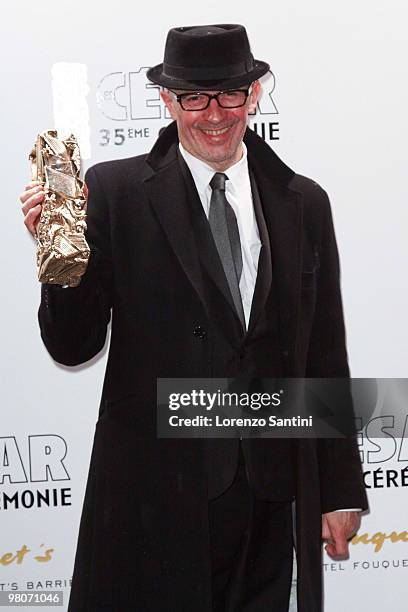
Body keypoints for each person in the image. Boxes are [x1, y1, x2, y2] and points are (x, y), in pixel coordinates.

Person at [20, 24, 368, 612]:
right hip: (153, 494)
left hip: (266, 489)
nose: (214, 114)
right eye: (194, 98)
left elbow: (323, 352)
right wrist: (61, 259)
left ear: (255, 94)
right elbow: (73, 346)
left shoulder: (303, 201)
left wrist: (337, 489)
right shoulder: (114, 191)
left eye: (230, 94)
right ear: (166, 100)